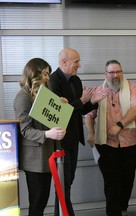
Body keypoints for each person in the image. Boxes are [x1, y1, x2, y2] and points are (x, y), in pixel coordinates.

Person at [85, 59, 136, 216]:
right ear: (105, 74)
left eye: (118, 71)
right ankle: (113, 213)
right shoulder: (98, 91)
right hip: (106, 143)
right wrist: (91, 133)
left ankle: (122, 207)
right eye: (112, 72)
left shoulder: (133, 87)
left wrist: (120, 125)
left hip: (130, 142)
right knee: (111, 181)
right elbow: (89, 115)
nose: (116, 75)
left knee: (127, 179)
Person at [49, 48, 104, 216]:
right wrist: (81, 100)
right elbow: (59, 112)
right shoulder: (52, 81)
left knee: (68, 181)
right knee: (63, 182)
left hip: (73, 139)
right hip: (60, 140)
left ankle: (63, 212)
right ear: (64, 62)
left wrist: (93, 101)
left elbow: (80, 109)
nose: (79, 65)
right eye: (76, 62)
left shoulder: (76, 81)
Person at [13, 58, 66, 216]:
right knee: (37, 203)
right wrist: (48, 134)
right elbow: (25, 130)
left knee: (42, 201)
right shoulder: (23, 97)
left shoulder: (43, 96)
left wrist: (60, 108)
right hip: (35, 160)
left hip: (47, 156)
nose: (48, 78)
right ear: (34, 73)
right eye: (45, 74)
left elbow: (49, 122)